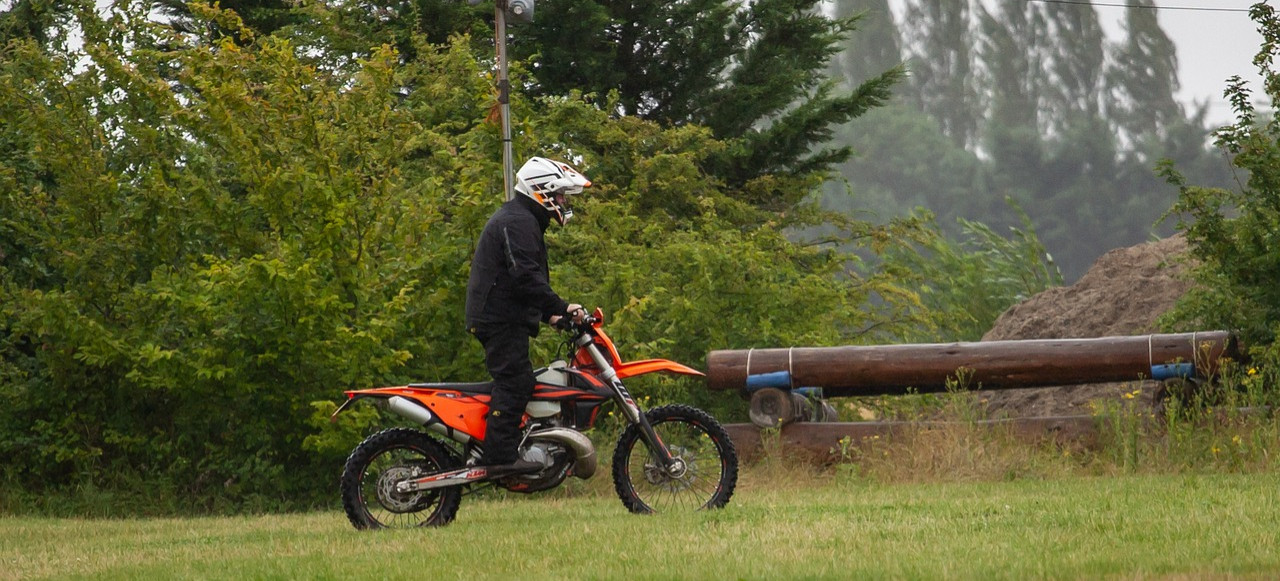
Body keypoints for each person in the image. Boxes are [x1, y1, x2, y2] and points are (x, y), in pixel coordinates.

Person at [464, 157, 591, 476]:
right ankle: (500, 455)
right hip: (498, 319)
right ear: (543, 191)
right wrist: (563, 307)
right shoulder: (519, 221)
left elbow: (523, 282)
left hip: (502, 315)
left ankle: (512, 443)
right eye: (560, 195)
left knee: (519, 379)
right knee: (516, 381)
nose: (563, 202)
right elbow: (525, 277)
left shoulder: (523, 219)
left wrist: (552, 316)